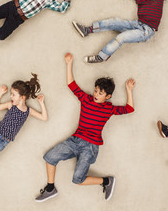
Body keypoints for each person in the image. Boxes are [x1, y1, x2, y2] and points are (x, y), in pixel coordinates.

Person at [35, 53, 135, 202]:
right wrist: (69, 63)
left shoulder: (109, 108)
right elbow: (71, 84)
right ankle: (50, 188)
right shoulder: (86, 99)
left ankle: (106, 181)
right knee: (49, 157)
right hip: (75, 141)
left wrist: (129, 90)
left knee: (78, 180)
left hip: (90, 146)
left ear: (107, 96)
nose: (96, 94)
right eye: (95, 90)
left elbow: (129, 109)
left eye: (100, 93)